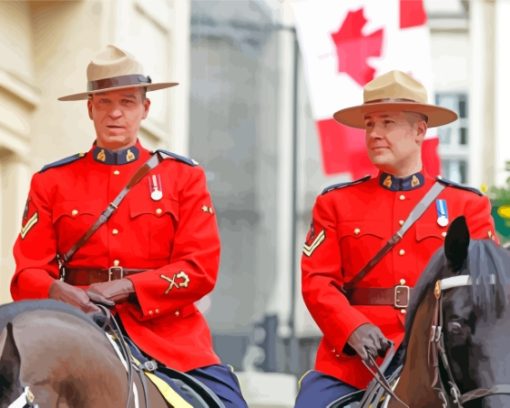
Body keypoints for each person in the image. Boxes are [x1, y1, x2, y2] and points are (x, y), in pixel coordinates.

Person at [11, 44, 247, 408]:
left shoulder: (183, 177)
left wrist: (126, 286)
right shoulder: (52, 181)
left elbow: (198, 269)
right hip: (76, 326)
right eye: (104, 102)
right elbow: (26, 273)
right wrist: (61, 293)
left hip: (169, 336)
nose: (115, 113)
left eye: (127, 102)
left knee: (228, 403)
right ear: (90, 109)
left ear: (145, 108)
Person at [295, 70, 499, 407]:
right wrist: (351, 328)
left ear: (420, 130)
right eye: (369, 124)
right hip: (355, 364)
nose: (374, 134)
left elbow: (484, 289)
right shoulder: (335, 203)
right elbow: (317, 281)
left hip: (442, 360)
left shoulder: (468, 206)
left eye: (387, 123)